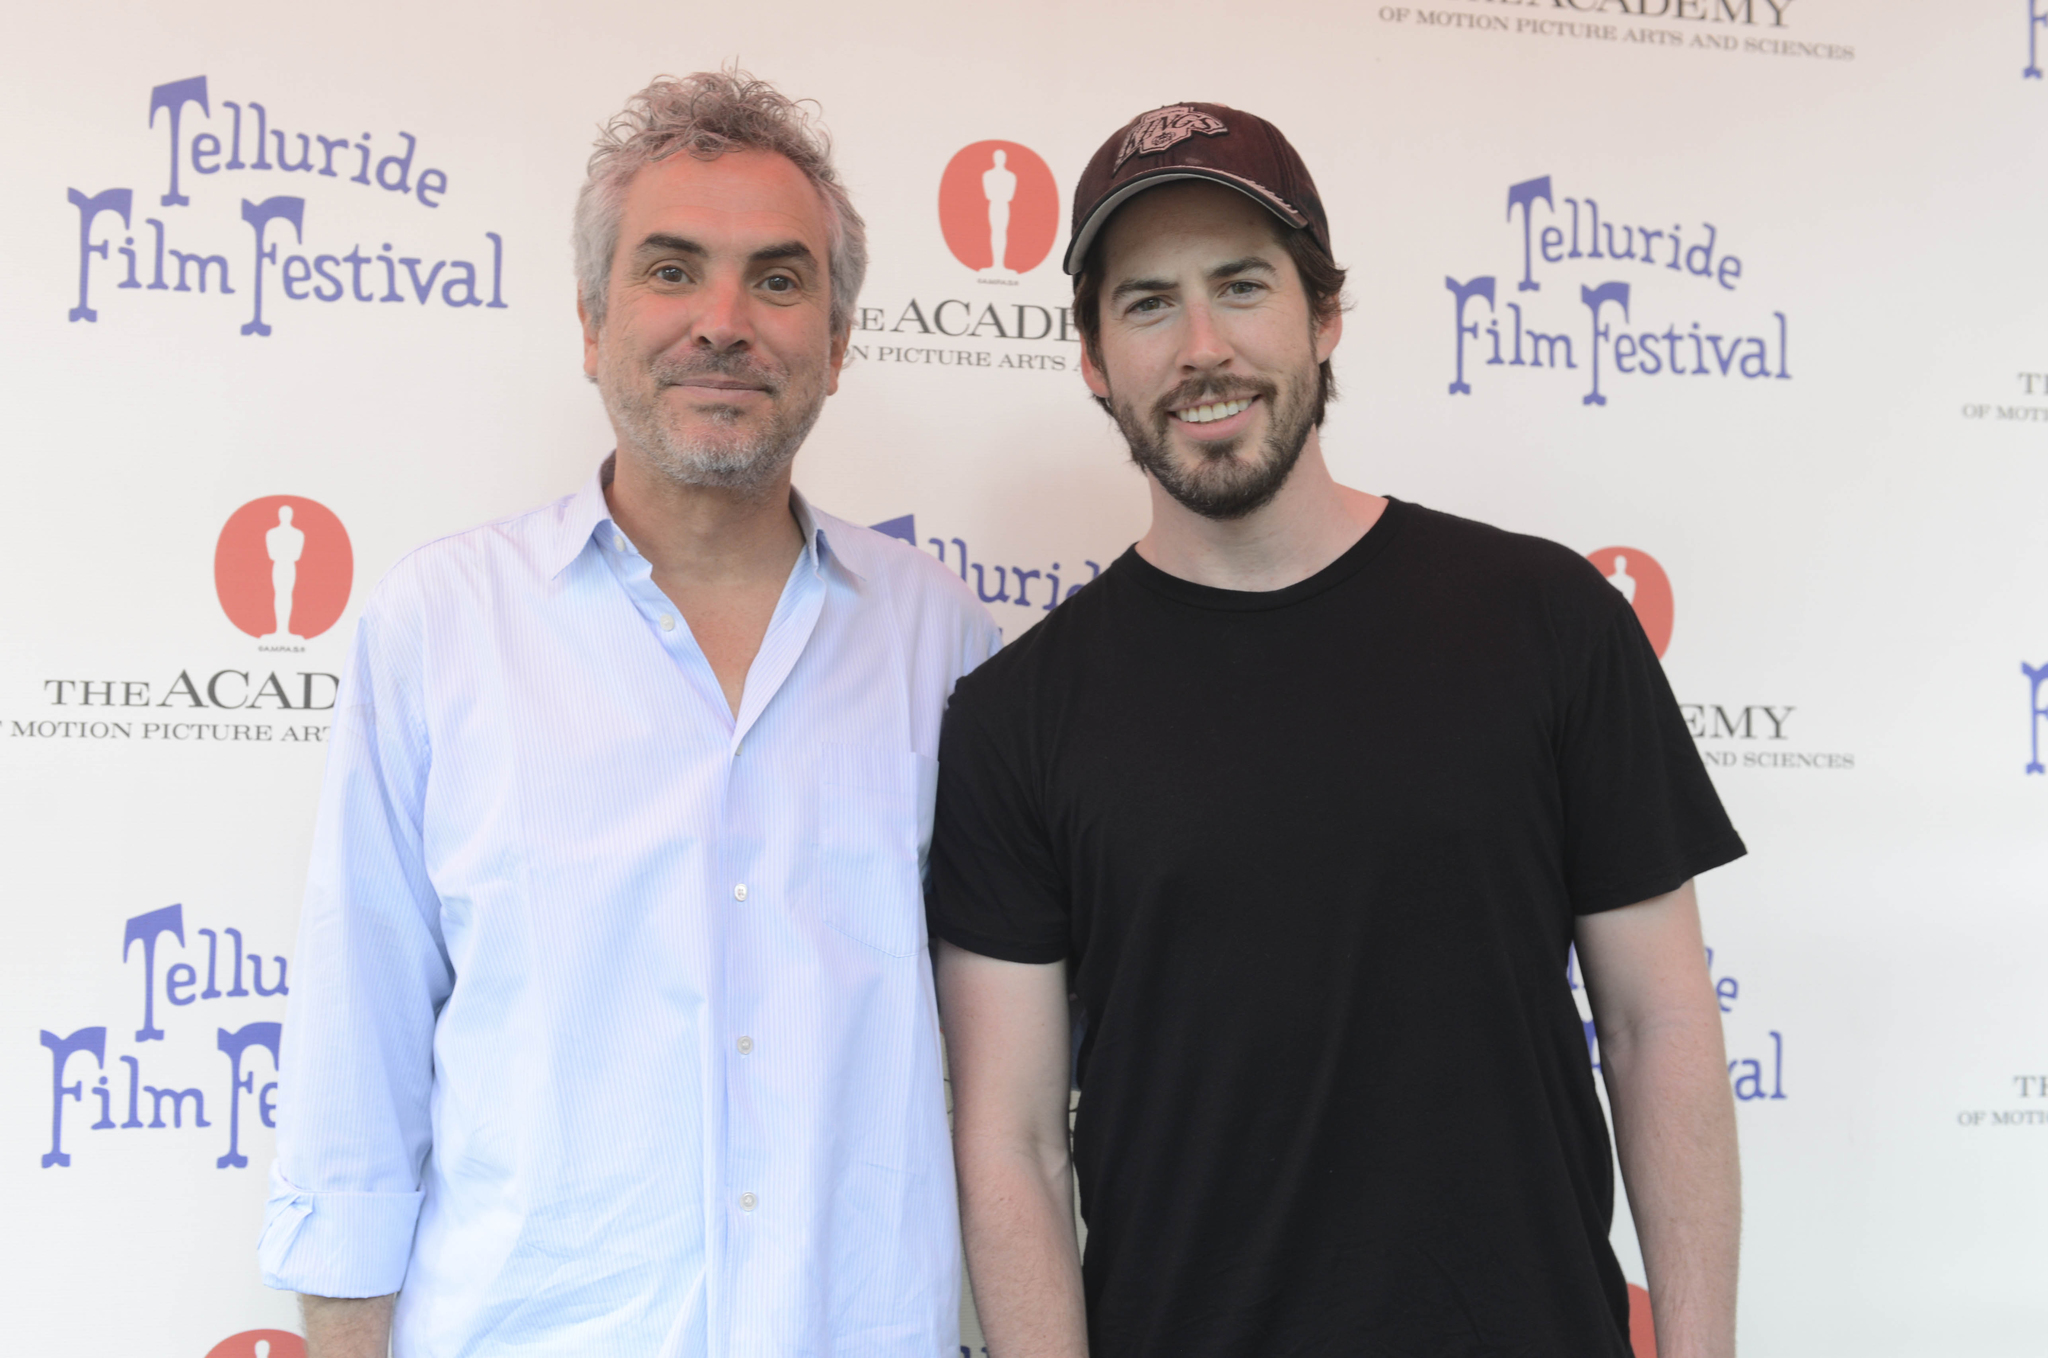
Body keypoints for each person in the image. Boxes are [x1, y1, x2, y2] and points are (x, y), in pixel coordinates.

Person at [930, 102, 1746, 1358]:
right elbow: (1014, 1143)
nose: (1202, 346)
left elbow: (1658, 1023)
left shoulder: (1544, 620)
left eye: (1241, 286)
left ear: (1322, 315)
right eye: (1146, 302)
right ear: (1093, 357)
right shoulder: (1015, 718)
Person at [260, 71, 999, 1358]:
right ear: (594, 322)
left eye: (777, 279)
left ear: (835, 341)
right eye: (672, 270)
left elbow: (1011, 1082)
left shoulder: (945, 639)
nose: (724, 321)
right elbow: (353, 1068)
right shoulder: (442, 623)